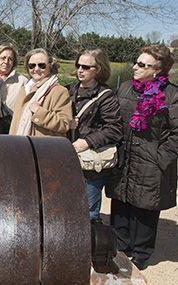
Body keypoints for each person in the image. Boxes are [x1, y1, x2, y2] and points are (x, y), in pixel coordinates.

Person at [106, 44, 176, 270]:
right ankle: (119, 247)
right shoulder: (126, 88)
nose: (134, 67)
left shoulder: (171, 95)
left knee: (144, 208)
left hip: (152, 162)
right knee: (121, 202)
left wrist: (160, 157)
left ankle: (141, 254)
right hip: (125, 156)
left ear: (158, 70)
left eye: (142, 64)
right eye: (136, 62)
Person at [68, 49, 122, 221]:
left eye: (86, 66)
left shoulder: (106, 97)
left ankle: (90, 244)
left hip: (91, 163)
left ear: (98, 69)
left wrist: (87, 141)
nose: (80, 70)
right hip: (68, 157)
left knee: (88, 211)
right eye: (78, 65)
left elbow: (114, 129)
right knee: (67, 206)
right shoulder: (69, 91)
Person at [9, 48, 72, 137]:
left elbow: (64, 124)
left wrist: (39, 111)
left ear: (50, 66)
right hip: (19, 145)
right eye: (32, 66)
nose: (36, 69)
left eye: (41, 65)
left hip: (42, 147)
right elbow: (15, 123)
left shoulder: (59, 91)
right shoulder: (24, 89)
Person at [0, 44, 28, 134]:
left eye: (10, 59)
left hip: (9, 129)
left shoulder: (22, 81)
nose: (6, 61)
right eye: (3, 58)